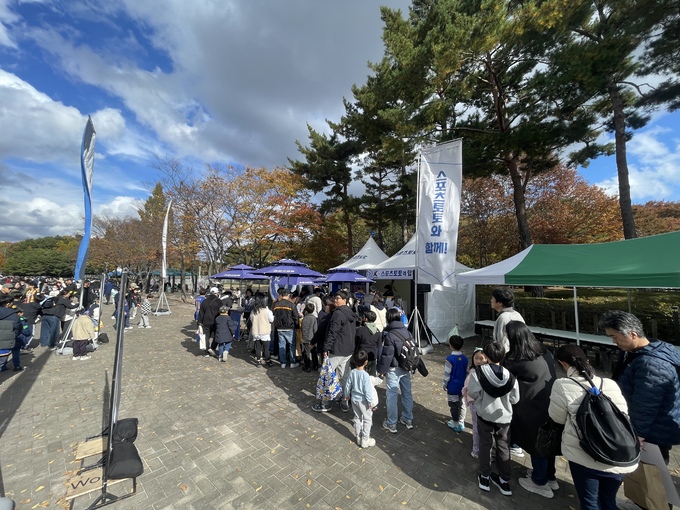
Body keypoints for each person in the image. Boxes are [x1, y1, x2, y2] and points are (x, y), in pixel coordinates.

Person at [549, 344, 637, 510]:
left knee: (590, 502)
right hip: (619, 453)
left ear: (563, 364)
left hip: (586, 452)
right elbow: (624, 414)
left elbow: (557, 418)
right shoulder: (609, 383)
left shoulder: (562, 385)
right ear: (587, 360)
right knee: (608, 500)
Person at [603, 310, 680, 465]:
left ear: (632, 334)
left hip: (653, 433)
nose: (613, 342)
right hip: (649, 427)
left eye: (614, 337)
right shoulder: (636, 351)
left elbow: (646, 404)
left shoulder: (652, 364)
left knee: (653, 477)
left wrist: (637, 435)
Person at [503, 320, 558, 499]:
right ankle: (550, 477)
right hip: (551, 402)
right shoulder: (544, 350)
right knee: (547, 440)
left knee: (536, 443)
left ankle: (539, 481)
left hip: (530, 406)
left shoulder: (516, 358)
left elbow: (503, 376)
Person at [467, 341, 520, 497]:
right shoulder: (510, 377)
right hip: (504, 419)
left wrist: (483, 400)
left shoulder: (478, 374)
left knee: (485, 446)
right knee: (503, 447)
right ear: (503, 356)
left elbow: (473, 393)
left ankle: (484, 477)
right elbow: (515, 399)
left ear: (487, 356)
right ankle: (504, 480)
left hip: (485, 416)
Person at [377, 308, 415, 433]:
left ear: (388, 319)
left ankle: (391, 423)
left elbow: (387, 355)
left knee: (392, 396)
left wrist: (381, 370)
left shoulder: (390, 335)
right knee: (407, 393)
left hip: (393, 369)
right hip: (406, 367)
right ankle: (407, 419)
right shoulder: (407, 332)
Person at [318, 290, 357, 412]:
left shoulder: (338, 314)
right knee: (344, 377)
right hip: (348, 349)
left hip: (338, 349)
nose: (335, 300)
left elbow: (332, 332)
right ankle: (344, 401)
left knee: (327, 375)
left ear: (344, 300)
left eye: (338, 298)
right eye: (335, 298)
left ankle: (325, 403)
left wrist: (326, 347)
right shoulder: (350, 312)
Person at [343, 349, 378, 448]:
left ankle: (358, 437)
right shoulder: (365, 375)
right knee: (367, 419)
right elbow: (367, 391)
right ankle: (365, 439)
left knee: (357, 418)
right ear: (366, 362)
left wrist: (346, 394)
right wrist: (371, 402)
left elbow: (348, 385)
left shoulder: (352, 372)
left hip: (354, 399)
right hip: (363, 401)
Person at [462, 347, 488, 458]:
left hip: (476, 402)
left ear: (487, 359)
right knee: (480, 427)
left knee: (477, 427)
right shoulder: (480, 372)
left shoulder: (475, 373)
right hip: (480, 404)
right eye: (476, 358)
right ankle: (479, 449)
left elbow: (466, 389)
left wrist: (466, 398)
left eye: (481, 358)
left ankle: (476, 450)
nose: (478, 361)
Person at [443, 335, 468, 432]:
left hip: (453, 387)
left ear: (451, 345)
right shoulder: (465, 358)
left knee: (453, 405)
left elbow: (447, 374)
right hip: (462, 386)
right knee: (462, 404)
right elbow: (466, 373)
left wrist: (444, 384)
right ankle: (461, 421)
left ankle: (455, 422)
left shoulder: (450, 359)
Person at [490, 287, 525, 352]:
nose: (491, 300)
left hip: (508, 356)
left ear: (500, 303)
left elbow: (502, 343)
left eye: (493, 298)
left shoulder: (503, 317)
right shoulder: (517, 314)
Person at [272, 288, 300, 368]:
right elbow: (296, 317)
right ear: (288, 295)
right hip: (289, 327)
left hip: (279, 327)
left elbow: (274, 315)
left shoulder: (276, 305)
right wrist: (297, 326)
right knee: (292, 345)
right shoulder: (291, 305)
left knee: (282, 345)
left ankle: (283, 363)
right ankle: (292, 362)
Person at [0, 295, 26, 372]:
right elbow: (18, 329)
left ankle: (3, 367)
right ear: (8, 304)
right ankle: (16, 365)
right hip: (9, 340)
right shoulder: (14, 316)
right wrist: (12, 336)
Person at [250, 296, 274, 368]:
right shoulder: (267, 311)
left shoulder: (253, 311)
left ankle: (258, 361)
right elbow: (271, 320)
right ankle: (268, 361)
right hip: (264, 332)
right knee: (266, 348)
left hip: (256, 332)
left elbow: (252, 320)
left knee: (258, 348)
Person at [355, 310, 380, 376]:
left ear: (366, 319)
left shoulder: (361, 330)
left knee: (361, 376)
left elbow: (356, 343)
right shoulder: (378, 331)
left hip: (361, 356)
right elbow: (379, 346)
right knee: (372, 377)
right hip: (373, 355)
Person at [197, 287, 222, 358]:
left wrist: (199, 322)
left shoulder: (205, 301)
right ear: (216, 293)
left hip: (206, 321)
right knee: (217, 335)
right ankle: (212, 348)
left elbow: (201, 313)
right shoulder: (219, 301)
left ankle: (206, 351)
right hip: (216, 321)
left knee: (206, 337)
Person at [301, 302, 318, 373]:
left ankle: (307, 366)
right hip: (312, 338)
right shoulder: (314, 318)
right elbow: (315, 329)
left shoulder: (304, 318)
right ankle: (315, 365)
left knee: (306, 353)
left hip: (305, 338)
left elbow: (303, 329)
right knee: (314, 353)